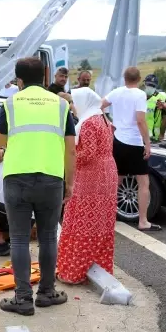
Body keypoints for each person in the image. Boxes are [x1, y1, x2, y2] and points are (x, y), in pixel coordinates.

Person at [0, 56, 77, 316]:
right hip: (52, 178)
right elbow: (71, 149)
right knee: (48, 237)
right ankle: (47, 292)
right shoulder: (61, 105)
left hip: (17, 177)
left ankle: (22, 298)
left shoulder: (11, 103)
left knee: (18, 239)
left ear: (18, 80)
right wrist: (70, 183)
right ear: (45, 77)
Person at [57, 87, 118, 283]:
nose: (73, 107)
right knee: (100, 223)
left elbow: (88, 153)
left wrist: (66, 159)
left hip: (91, 178)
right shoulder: (102, 118)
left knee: (82, 222)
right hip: (107, 174)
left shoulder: (89, 123)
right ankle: (97, 267)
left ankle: (75, 272)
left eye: (74, 102)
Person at [101, 66, 161, 232]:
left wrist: (108, 122)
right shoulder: (140, 95)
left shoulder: (116, 92)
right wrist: (147, 143)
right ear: (139, 79)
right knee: (143, 182)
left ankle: (108, 218)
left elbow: (99, 105)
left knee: (116, 181)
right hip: (134, 143)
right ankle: (143, 221)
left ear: (124, 77)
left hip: (118, 141)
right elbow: (140, 120)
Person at [143, 74, 166, 141]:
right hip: (140, 135)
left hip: (154, 136)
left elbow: (165, 118)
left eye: (152, 86)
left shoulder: (162, 98)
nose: (150, 87)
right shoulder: (139, 96)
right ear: (145, 84)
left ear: (156, 86)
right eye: (149, 85)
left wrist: (162, 134)